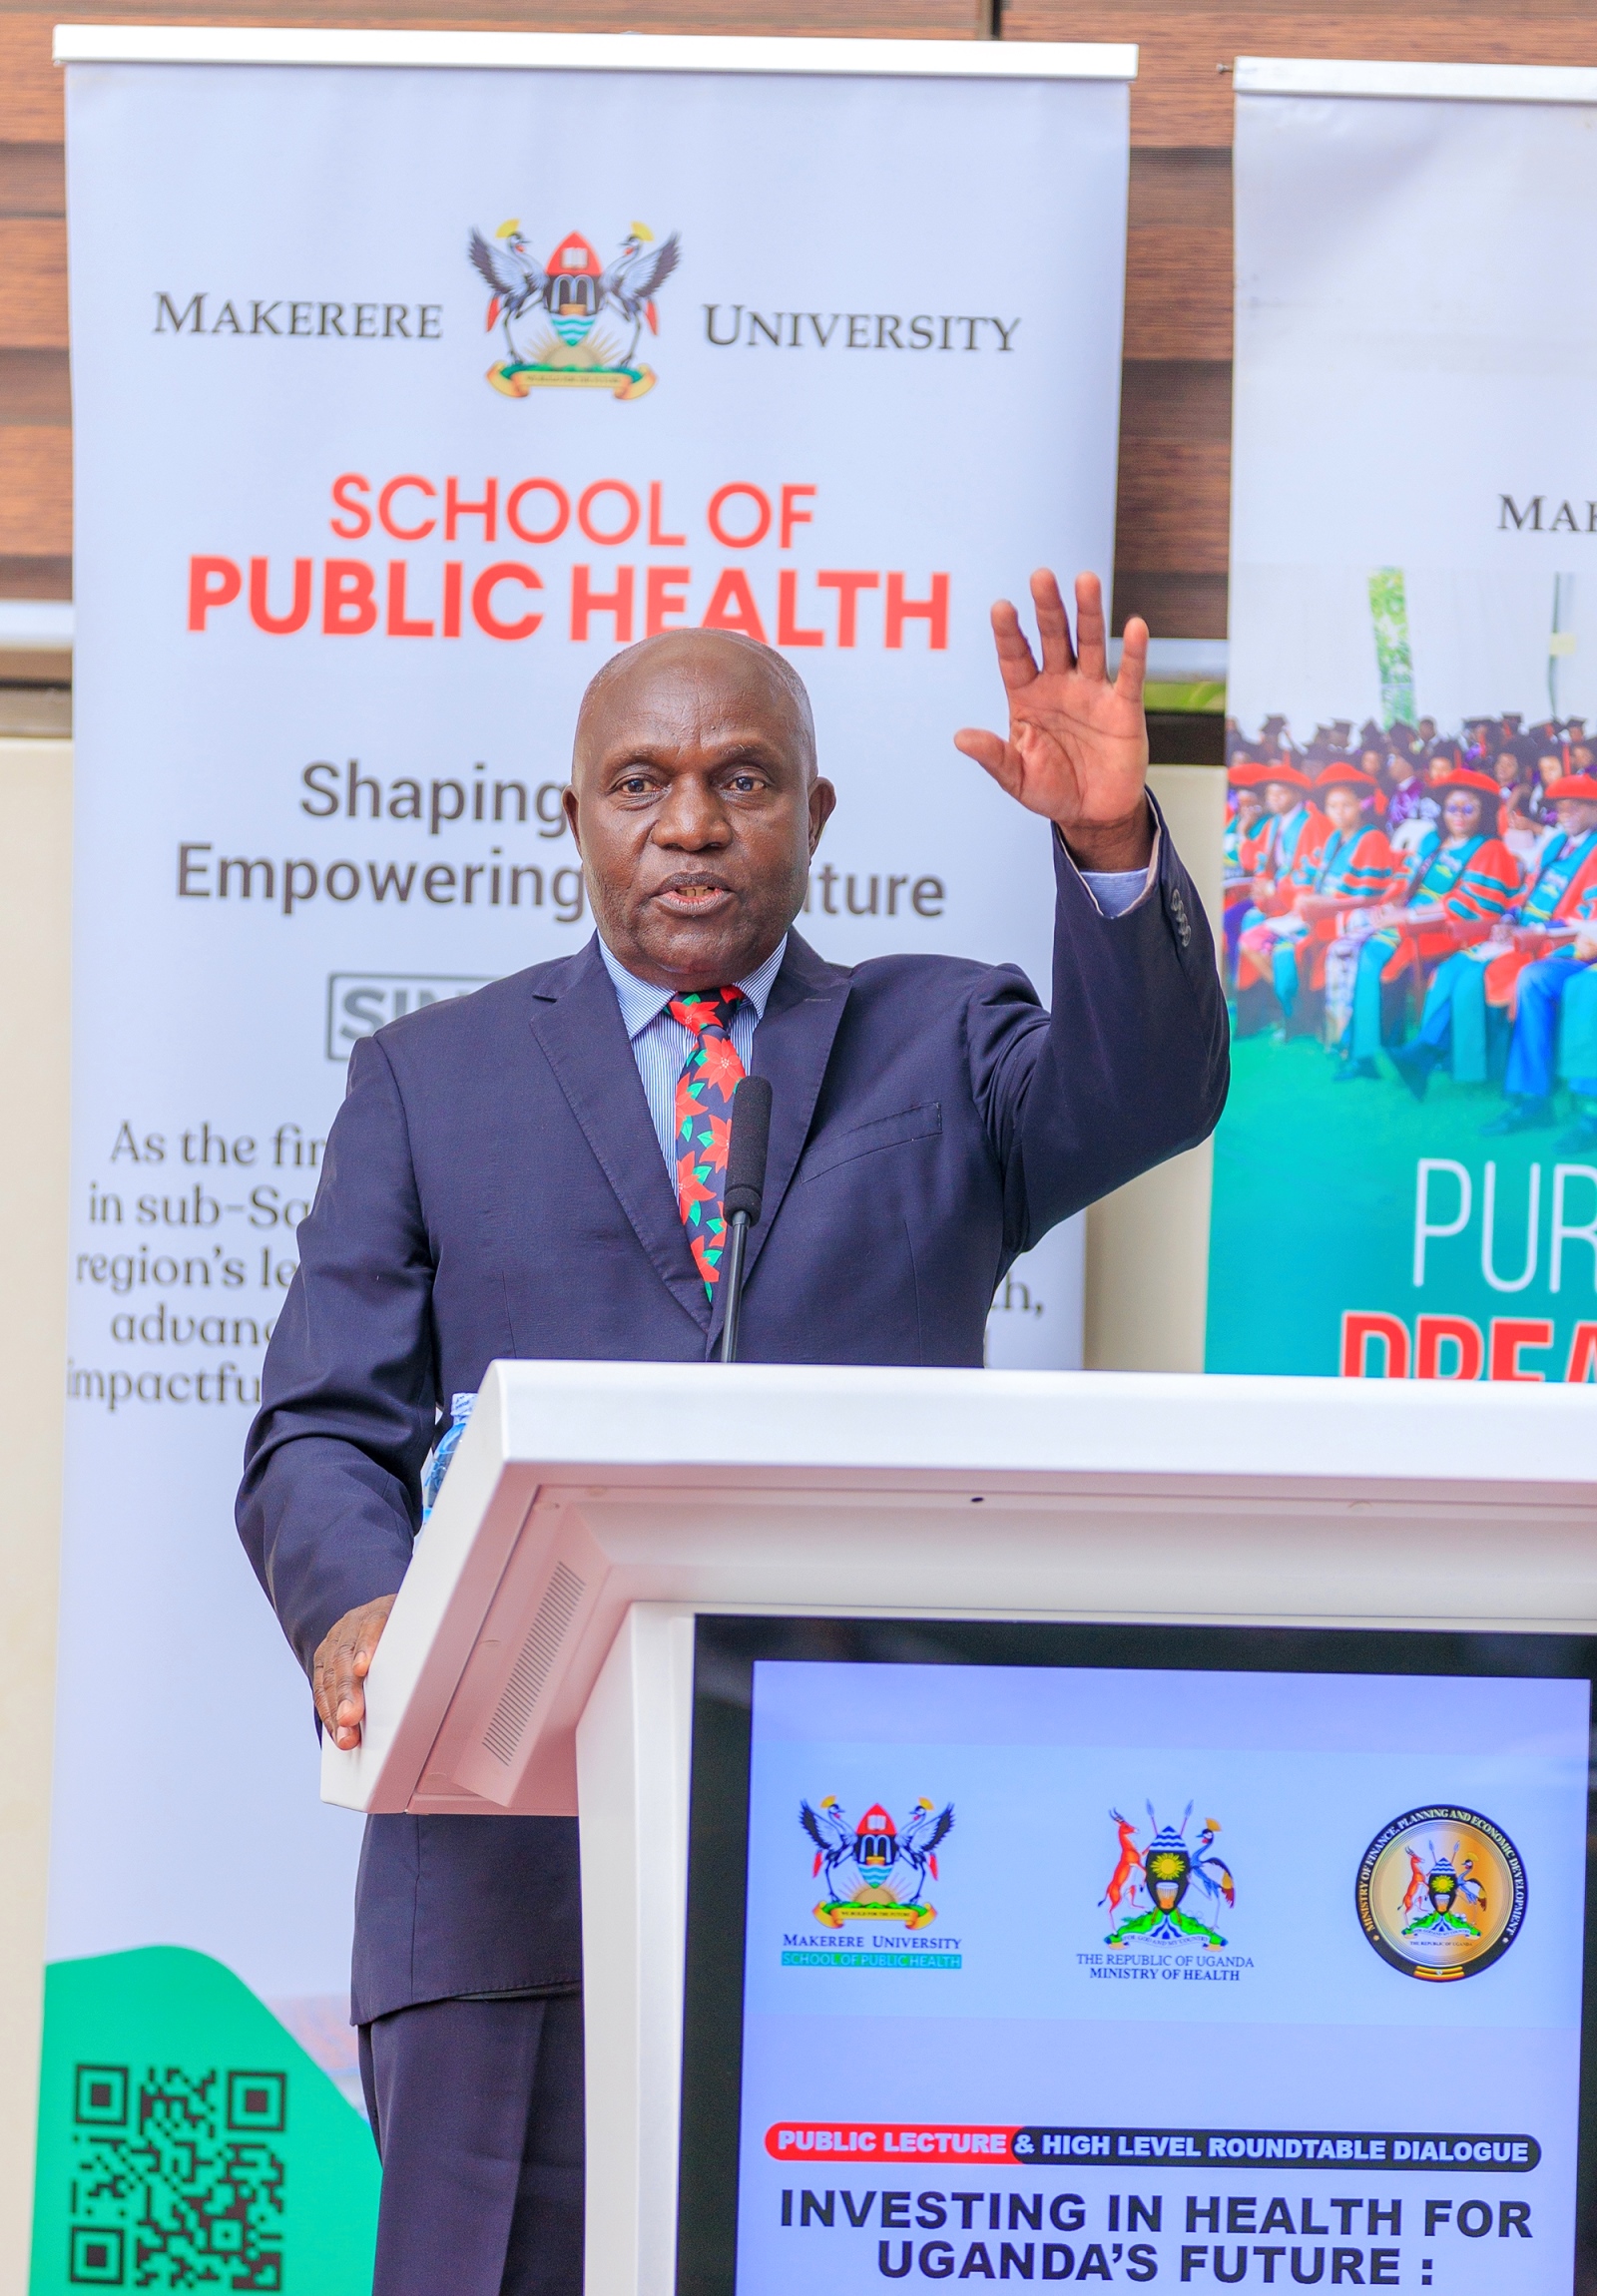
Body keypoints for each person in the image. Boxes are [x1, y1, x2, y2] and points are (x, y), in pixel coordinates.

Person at [235, 571, 1227, 2296]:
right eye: (643, 784)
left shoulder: (944, 1034)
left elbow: (1147, 1093)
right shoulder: (428, 1082)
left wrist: (1115, 842)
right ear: (579, 818)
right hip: (505, 1880)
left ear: (816, 811)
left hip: (886, 1881)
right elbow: (319, 1426)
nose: (690, 824)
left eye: (743, 777)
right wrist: (362, 1613)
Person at [1391, 773, 1597, 1102]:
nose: (1566, 814)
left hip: (1551, 944)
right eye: (1561, 808)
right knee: (1455, 967)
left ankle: (1434, 1053)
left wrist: (1533, 932)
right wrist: (1507, 918)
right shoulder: (1556, 844)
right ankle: (1438, 1054)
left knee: (1478, 974)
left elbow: (1588, 915)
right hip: (1518, 933)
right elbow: (1526, 892)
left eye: (1575, 808)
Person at [1331, 767, 1519, 1080]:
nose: (1458, 816)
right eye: (1451, 808)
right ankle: (1363, 1047)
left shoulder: (1490, 849)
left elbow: (1467, 906)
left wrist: (1404, 917)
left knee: (1373, 953)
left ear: (1483, 812)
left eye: (1468, 808)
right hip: (1406, 922)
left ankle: (1367, 1053)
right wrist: (1391, 904)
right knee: (1354, 948)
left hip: (1444, 931)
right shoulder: (1433, 841)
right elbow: (1404, 880)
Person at [1235, 762, 1391, 1034]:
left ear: (1361, 805)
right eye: (1332, 806)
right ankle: (1296, 1007)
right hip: (1315, 913)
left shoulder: (1372, 839)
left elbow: (1368, 897)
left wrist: (1317, 904)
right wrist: (1289, 895)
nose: (1338, 813)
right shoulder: (1333, 839)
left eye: (1346, 805)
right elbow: (1307, 877)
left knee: (1282, 949)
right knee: (1250, 940)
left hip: (1342, 918)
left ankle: (1310, 1020)